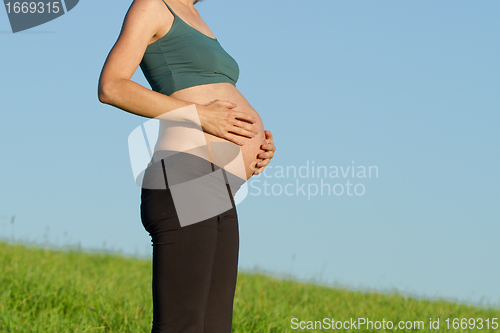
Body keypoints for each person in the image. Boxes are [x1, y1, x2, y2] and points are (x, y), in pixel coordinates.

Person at [97, 0, 276, 332]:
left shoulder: (196, 17)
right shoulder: (152, 5)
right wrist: (201, 115)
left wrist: (257, 144)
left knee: (215, 327)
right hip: (185, 177)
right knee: (183, 326)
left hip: (221, 187)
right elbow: (112, 86)